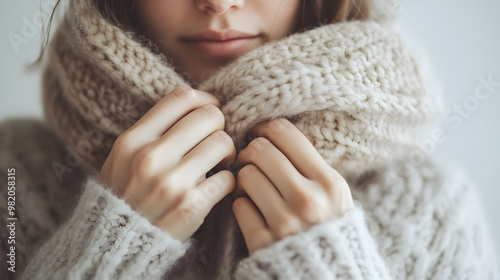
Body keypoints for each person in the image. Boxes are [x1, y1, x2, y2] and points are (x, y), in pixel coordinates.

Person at [0, 0, 498, 279]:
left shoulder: (432, 204)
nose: (219, 3)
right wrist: (105, 249)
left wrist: (328, 269)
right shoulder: (13, 175)